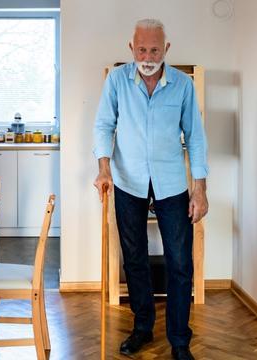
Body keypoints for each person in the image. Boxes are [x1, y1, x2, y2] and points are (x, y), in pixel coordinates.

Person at [93, 19, 208, 360]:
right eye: (141, 49)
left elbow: (196, 138)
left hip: (172, 184)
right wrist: (103, 168)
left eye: (154, 49)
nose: (147, 55)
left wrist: (199, 189)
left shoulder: (183, 85)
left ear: (166, 49)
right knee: (135, 259)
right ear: (131, 48)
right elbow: (103, 125)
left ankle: (179, 339)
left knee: (180, 262)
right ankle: (142, 328)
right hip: (128, 181)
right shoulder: (116, 81)